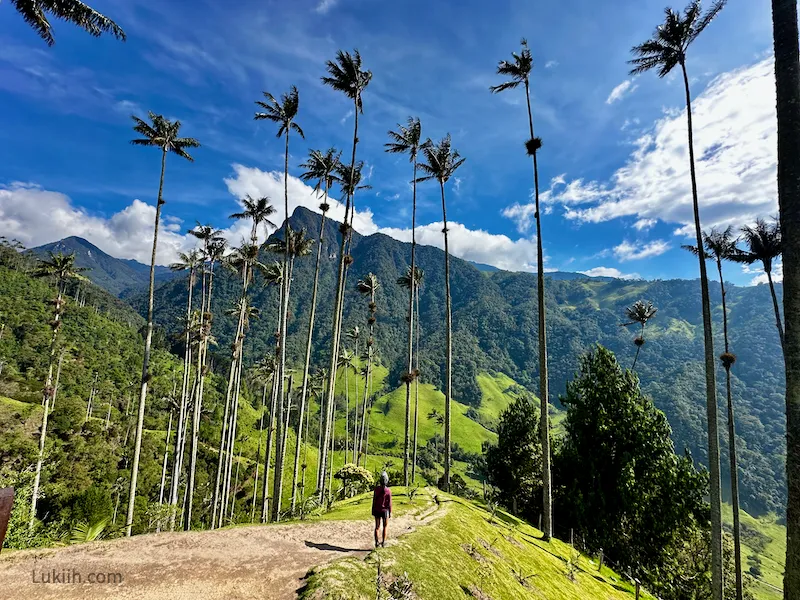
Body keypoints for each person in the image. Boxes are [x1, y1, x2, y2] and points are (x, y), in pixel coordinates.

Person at [371, 471, 392, 548]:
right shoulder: (388, 491)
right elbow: (389, 503)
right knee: (385, 527)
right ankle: (383, 542)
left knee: (377, 527)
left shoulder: (376, 489)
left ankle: (376, 542)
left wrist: (373, 509)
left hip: (377, 510)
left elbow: (374, 500)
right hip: (385, 511)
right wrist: (390, 512)